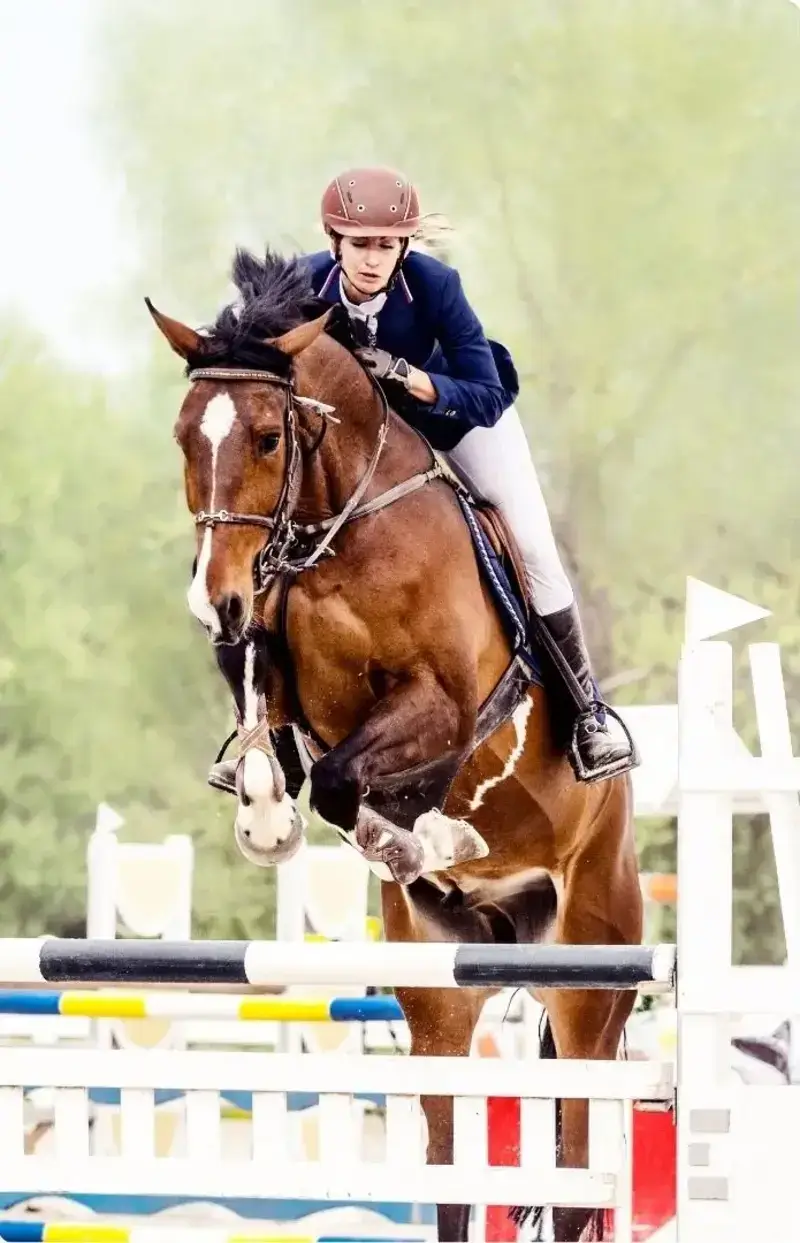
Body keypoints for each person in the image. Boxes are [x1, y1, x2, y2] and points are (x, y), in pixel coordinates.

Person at [210, 166, 637, 790]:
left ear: (404, 247)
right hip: (360, 443)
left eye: (386, 245)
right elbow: (239, 352)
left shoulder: (436, 286)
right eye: (360, 244)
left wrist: (410, 377)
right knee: (269, 545)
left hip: (458, 422)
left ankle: (586, 713)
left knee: (536, 546)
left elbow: (487, 392)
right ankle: (262, 729)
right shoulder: (301, 282)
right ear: (335, 240)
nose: (372, 259)